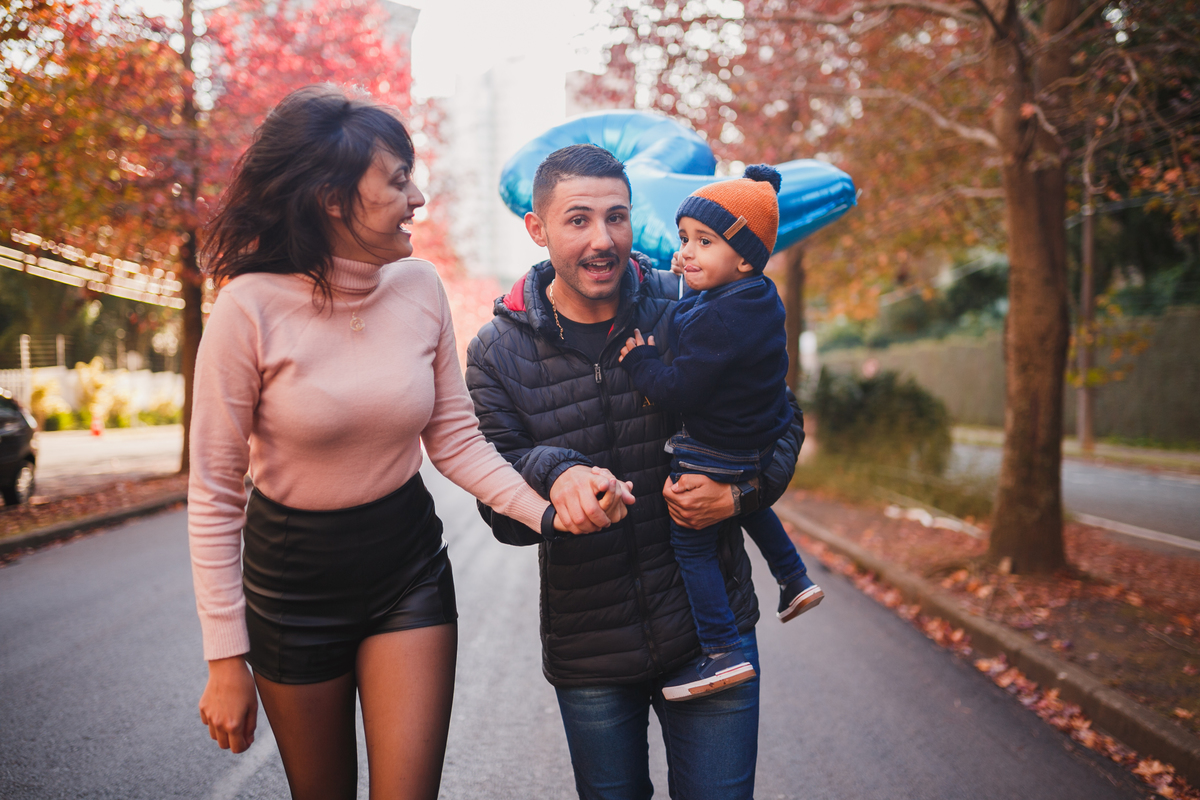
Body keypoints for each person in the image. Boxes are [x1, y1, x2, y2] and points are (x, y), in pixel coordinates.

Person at [187, 86, 632, 800]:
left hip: (406, 570)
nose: (418, 196)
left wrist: (544, 510)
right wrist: (223, 659)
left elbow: (455, 438)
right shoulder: (248, 309)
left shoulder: (420, 287)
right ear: (334, 199)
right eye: (397, 180)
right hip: (291, 585)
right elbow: (212, 492)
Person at [465, 143, 805, 800]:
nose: (603, 240)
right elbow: (495, 490)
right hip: (590, 648)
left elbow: (782, 417)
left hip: (713, 637)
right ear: (537, 229)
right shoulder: (496, 352)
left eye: (617, 218)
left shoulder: (693, 303)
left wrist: (741, 492)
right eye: (579, 219)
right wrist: (556, 475)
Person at [618, 165, 823, 703]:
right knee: (752, 505)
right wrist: (689, 280)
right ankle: (794, 577)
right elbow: (706, 319)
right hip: (756, 437)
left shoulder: (716, 320)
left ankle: (721, 650)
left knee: (690, 539)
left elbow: (678, 389)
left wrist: (640, 360)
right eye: (684, 238)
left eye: (703, 242)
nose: (687, 252)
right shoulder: (757, 298)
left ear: (745, 257)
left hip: (715, 444)